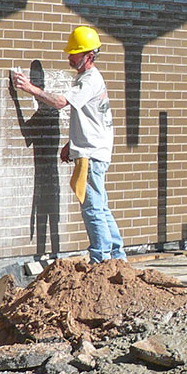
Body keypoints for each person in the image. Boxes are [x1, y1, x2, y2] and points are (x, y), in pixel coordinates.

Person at [11, 25, 126, 262]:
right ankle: (117, 257)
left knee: (92, 208)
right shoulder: (87, 78)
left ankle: (101, 260)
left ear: (89, 56)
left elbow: (62, 102)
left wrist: (29, 89)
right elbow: (88, 117)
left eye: (75, 53)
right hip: (93, 151)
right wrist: (71, 143)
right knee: (101, 207)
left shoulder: (89, 81)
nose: (69, 57)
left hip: (91, 156)